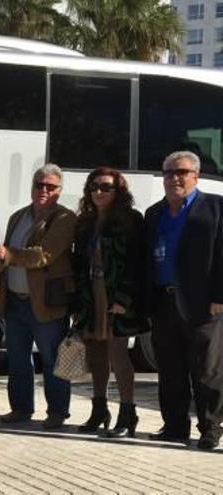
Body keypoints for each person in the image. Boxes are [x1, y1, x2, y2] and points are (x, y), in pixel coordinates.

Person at [144, 150, 223, 450]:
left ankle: (211, 428)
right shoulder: (154, 213)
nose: (174, 178)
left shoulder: (215, 208)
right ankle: (175, 426)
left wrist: (220, 295)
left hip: (203, 303)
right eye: (168, 173)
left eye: (182, 172)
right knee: (170, 367)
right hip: (164, 302)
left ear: (196, 176)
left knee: (207, 369)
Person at [0, 164, 75, 430]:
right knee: (17, 359)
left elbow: (43, 255)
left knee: (52, 359)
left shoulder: (64, 218)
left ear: (60, 191)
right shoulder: (18, 216)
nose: (44, 191)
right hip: (14, 300)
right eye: (40, 185)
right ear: (32, 186)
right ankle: (21, 408)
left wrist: (9, 255)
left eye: (51, 187)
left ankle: (58, 412)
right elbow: (4, 258)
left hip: (46, 303)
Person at [72, 167, 144, 438]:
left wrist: (124, 299)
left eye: (105, 187)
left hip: (116, 295)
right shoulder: (85, 222)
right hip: (91, 293)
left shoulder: (130, 220)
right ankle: (99, 409)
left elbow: (136, 264)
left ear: (119, 191)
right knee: (96, 355)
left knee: (118, 355)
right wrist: (78, 301)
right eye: (93, 187)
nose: (98, 192)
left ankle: (128, 413)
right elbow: (79, 262)